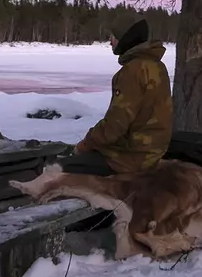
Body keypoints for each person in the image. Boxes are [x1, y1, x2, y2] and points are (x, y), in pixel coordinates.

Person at [57, 18, 172, 176]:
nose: (110, 41)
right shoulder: (156, 66)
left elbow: (115, 125)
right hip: (153, 149)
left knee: (58, 168)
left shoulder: (132, 71)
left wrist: (86, 144)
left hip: (133, 156)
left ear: (126, 38)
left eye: (114, 36)